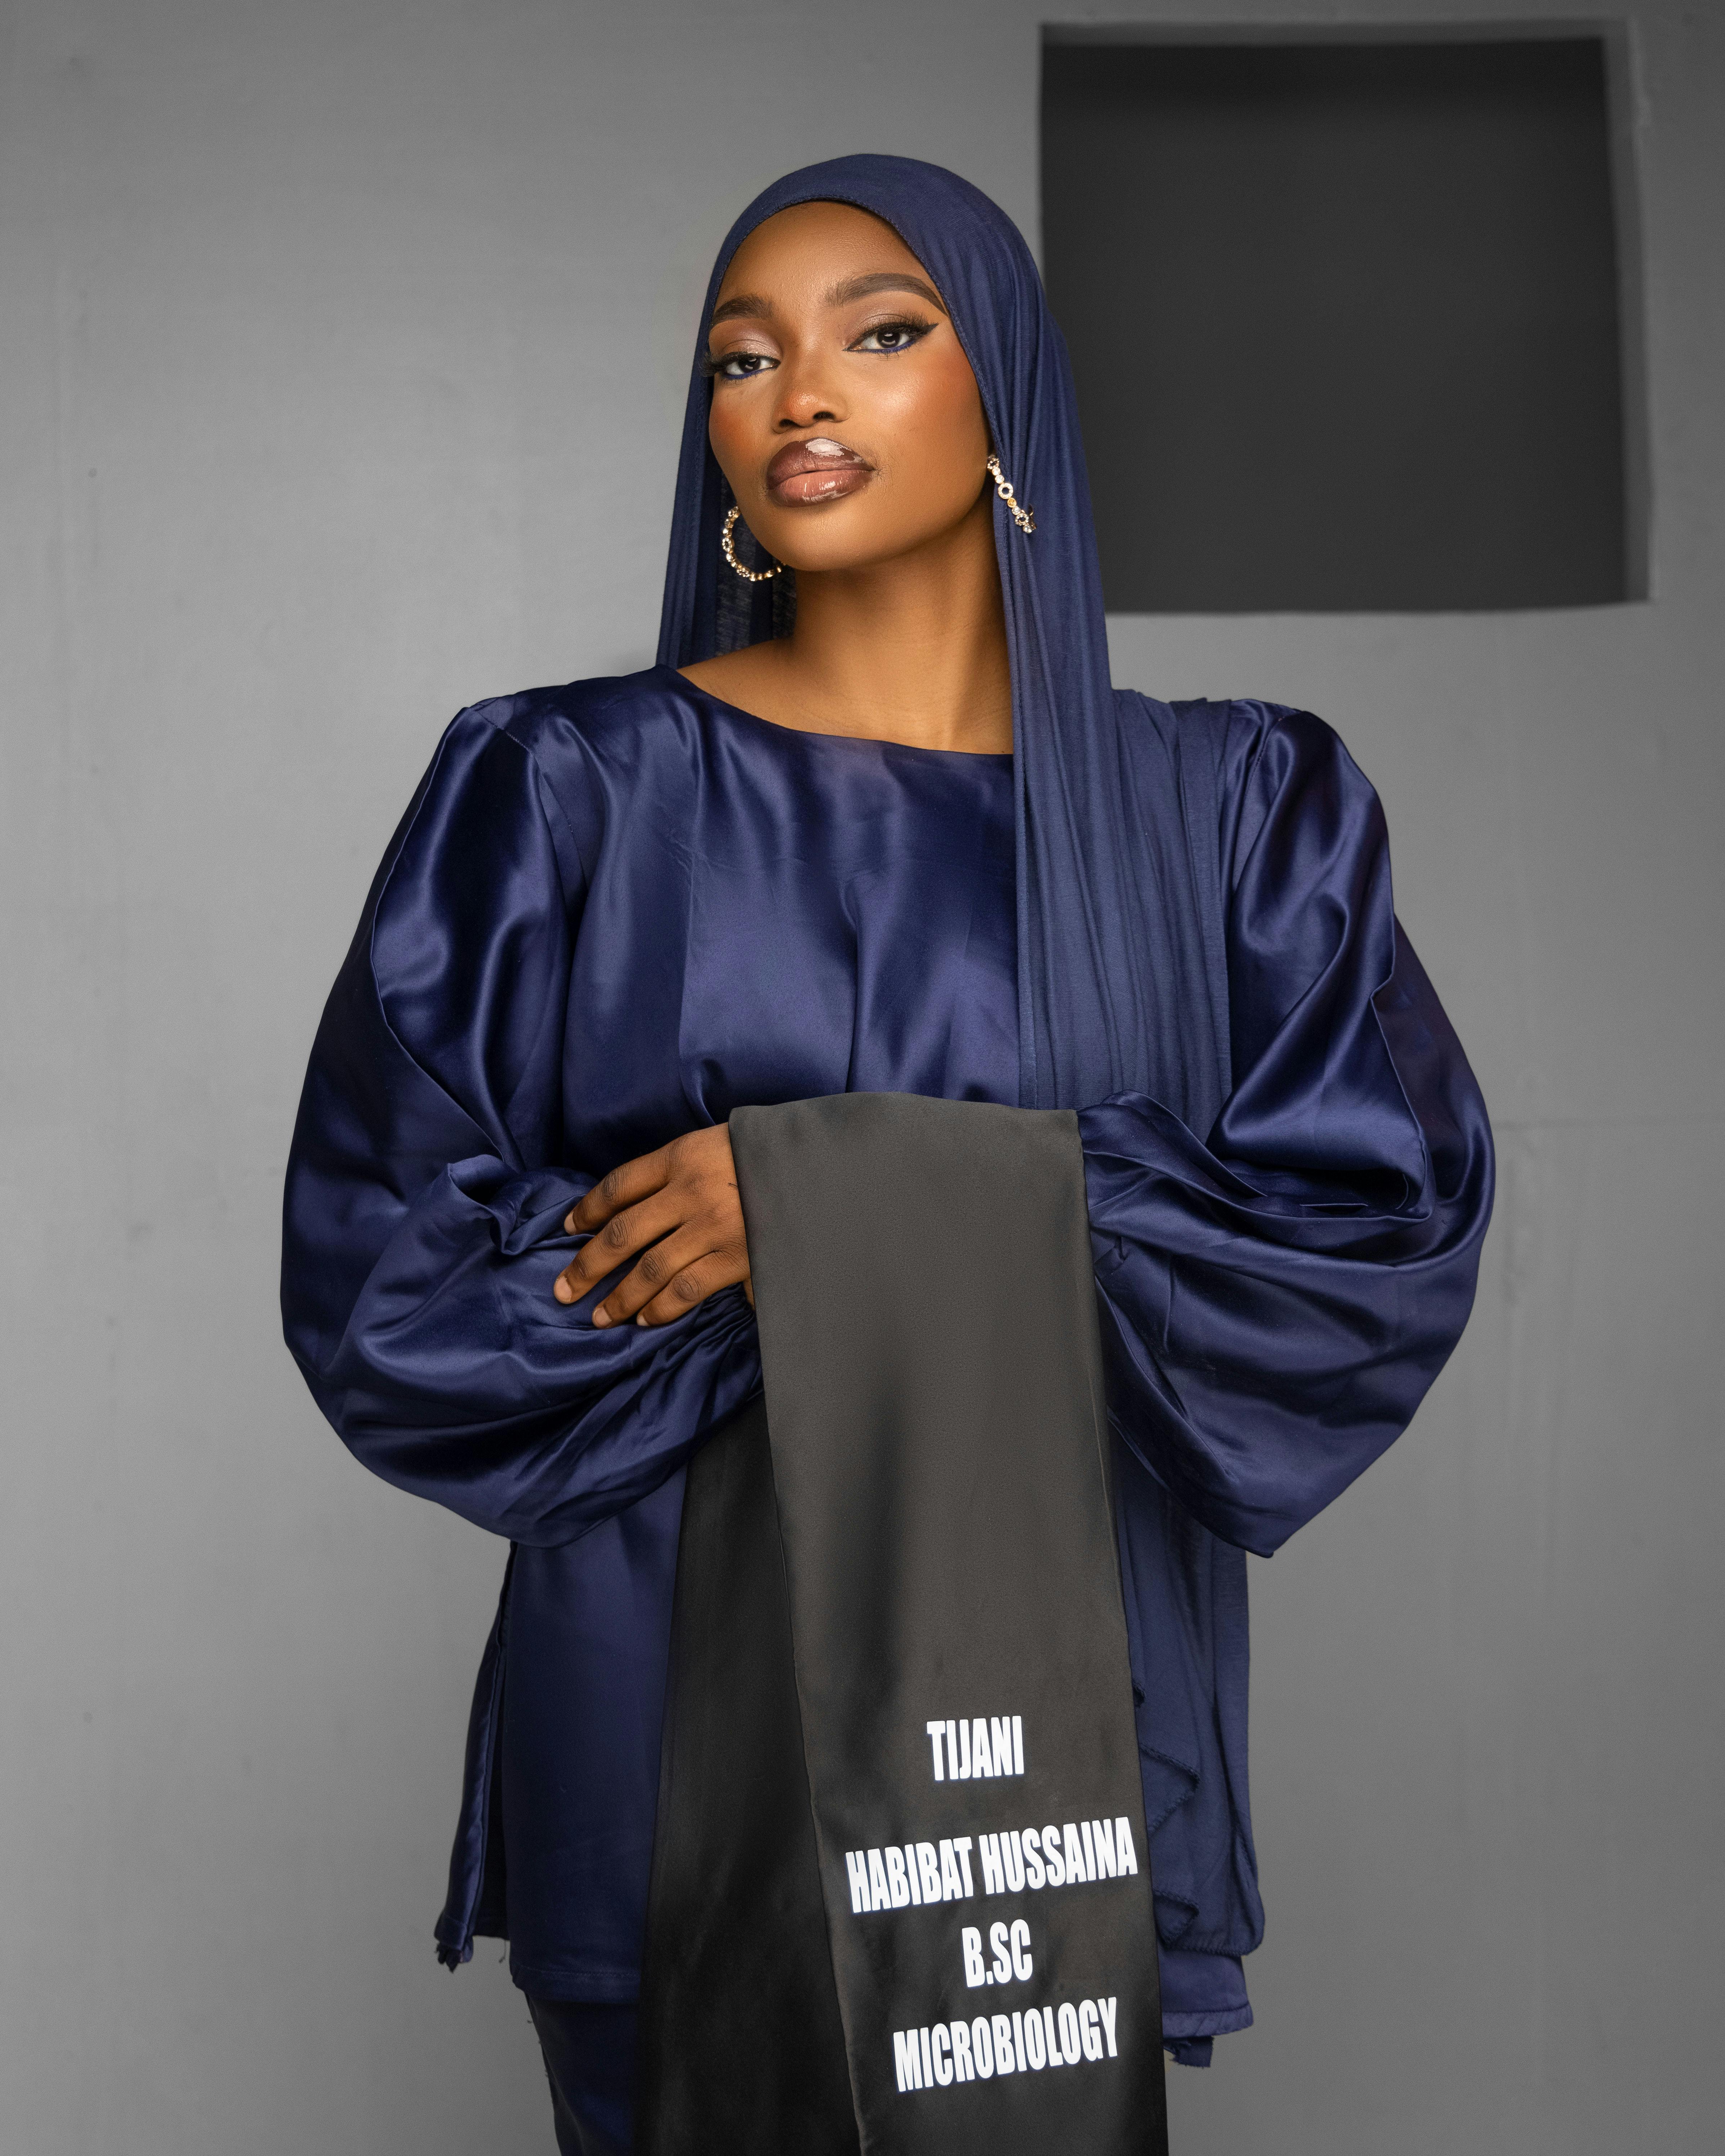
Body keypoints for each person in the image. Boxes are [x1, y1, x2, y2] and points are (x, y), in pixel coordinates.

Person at [281, 156, 1493, 2153]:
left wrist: (813, 1207)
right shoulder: (567, 790)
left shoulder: (1232, 816)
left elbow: (1360, 1254)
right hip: (667, 1746)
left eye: (882, 331)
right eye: (739, 357)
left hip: (1063, 1760)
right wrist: (906, 1244)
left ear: (1003, 387)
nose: (799, 393)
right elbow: (391, 1287)